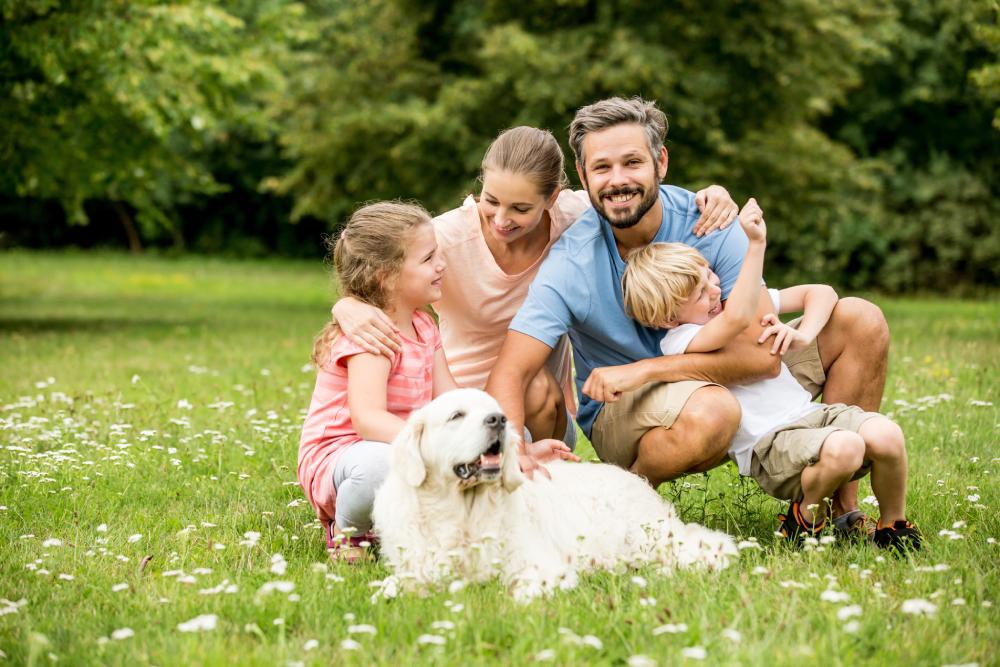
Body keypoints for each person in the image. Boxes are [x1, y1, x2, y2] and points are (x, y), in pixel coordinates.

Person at [486, 97, 890, 537]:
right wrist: (512, 452)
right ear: (583, 177)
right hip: (630, 409)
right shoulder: (572, 262)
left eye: (632, 162)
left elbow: (762, 360)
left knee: (860, 320)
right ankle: (626, 505)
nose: (618, 180)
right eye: (601, 168)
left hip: (719, 378)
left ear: (660, 162)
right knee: (714, 409)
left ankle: (839, 509)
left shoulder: (711, 223)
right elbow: (511, 372)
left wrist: (647, 369)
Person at [330, 126, 738, 474]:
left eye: (521, 208)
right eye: (491, 200)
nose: (501, 219)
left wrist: (714, 195)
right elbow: (374, 263)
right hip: (457, 402)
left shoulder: (575, 218)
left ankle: (539, 487)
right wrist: (346, 305)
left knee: (537, 385)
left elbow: (633, 194)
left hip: (540, 409)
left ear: (553, 198)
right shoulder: (444, 239)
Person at [620, 201, 922, 549]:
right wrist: (755, 246)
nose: (715, 290)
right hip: (770, 443)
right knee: (847, 448)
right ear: (668, 318)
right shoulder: (681, 340)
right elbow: (735, 319)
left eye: (711, 276)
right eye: (700, 294)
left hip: (812, 415)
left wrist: (803, 334)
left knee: (888, 435)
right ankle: (803, 520)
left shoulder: (728, 305)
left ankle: (893, 527)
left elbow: (821, 293)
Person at [298, 201, 460, 562]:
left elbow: (449, 397)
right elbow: (368, 420)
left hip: (400, 444)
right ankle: (349, 533)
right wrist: (431, 445)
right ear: (385, 276)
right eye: (428, 258)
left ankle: (406, 522)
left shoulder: (424, 325)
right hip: (344, 458)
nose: (441, 264)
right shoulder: (371, 336)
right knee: (380, 466)